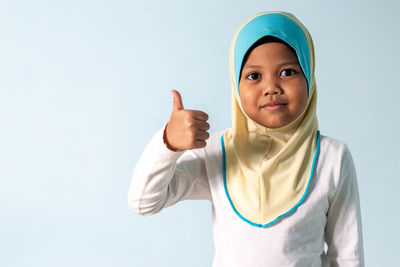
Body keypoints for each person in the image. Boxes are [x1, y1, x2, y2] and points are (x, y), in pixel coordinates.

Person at [127, 11, 364, 267]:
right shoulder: (217, 153)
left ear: (309, 74)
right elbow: (144, 202)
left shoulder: (332, 157)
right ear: (236, 85)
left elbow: (348, 256)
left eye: (287, 72)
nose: (271, 87)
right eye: (254, 76)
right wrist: (168, 144)